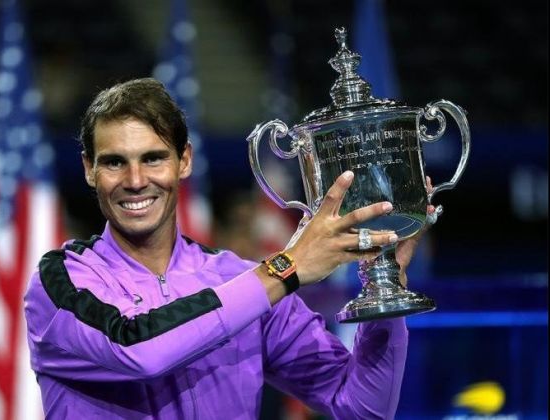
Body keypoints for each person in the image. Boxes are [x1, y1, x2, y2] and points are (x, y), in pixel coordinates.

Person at [24, 78, 433, 419]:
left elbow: (361, 407)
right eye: (114, 162)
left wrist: (385, 283)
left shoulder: (242, 280)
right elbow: (138, 349)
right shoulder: (60, 282)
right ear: (88, 169)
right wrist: (284, 269)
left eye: (153, 158)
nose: (135, 180)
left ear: (184, 161)